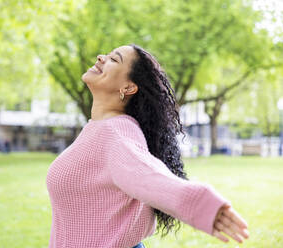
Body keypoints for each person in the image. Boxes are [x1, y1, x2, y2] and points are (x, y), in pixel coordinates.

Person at [46, 44, 249, 248]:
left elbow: (148, 178)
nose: (100, 58)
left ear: (128, 87)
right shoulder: (99, 129)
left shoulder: (116, 133)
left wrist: (201, 203)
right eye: (106, 56)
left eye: (114, 59)